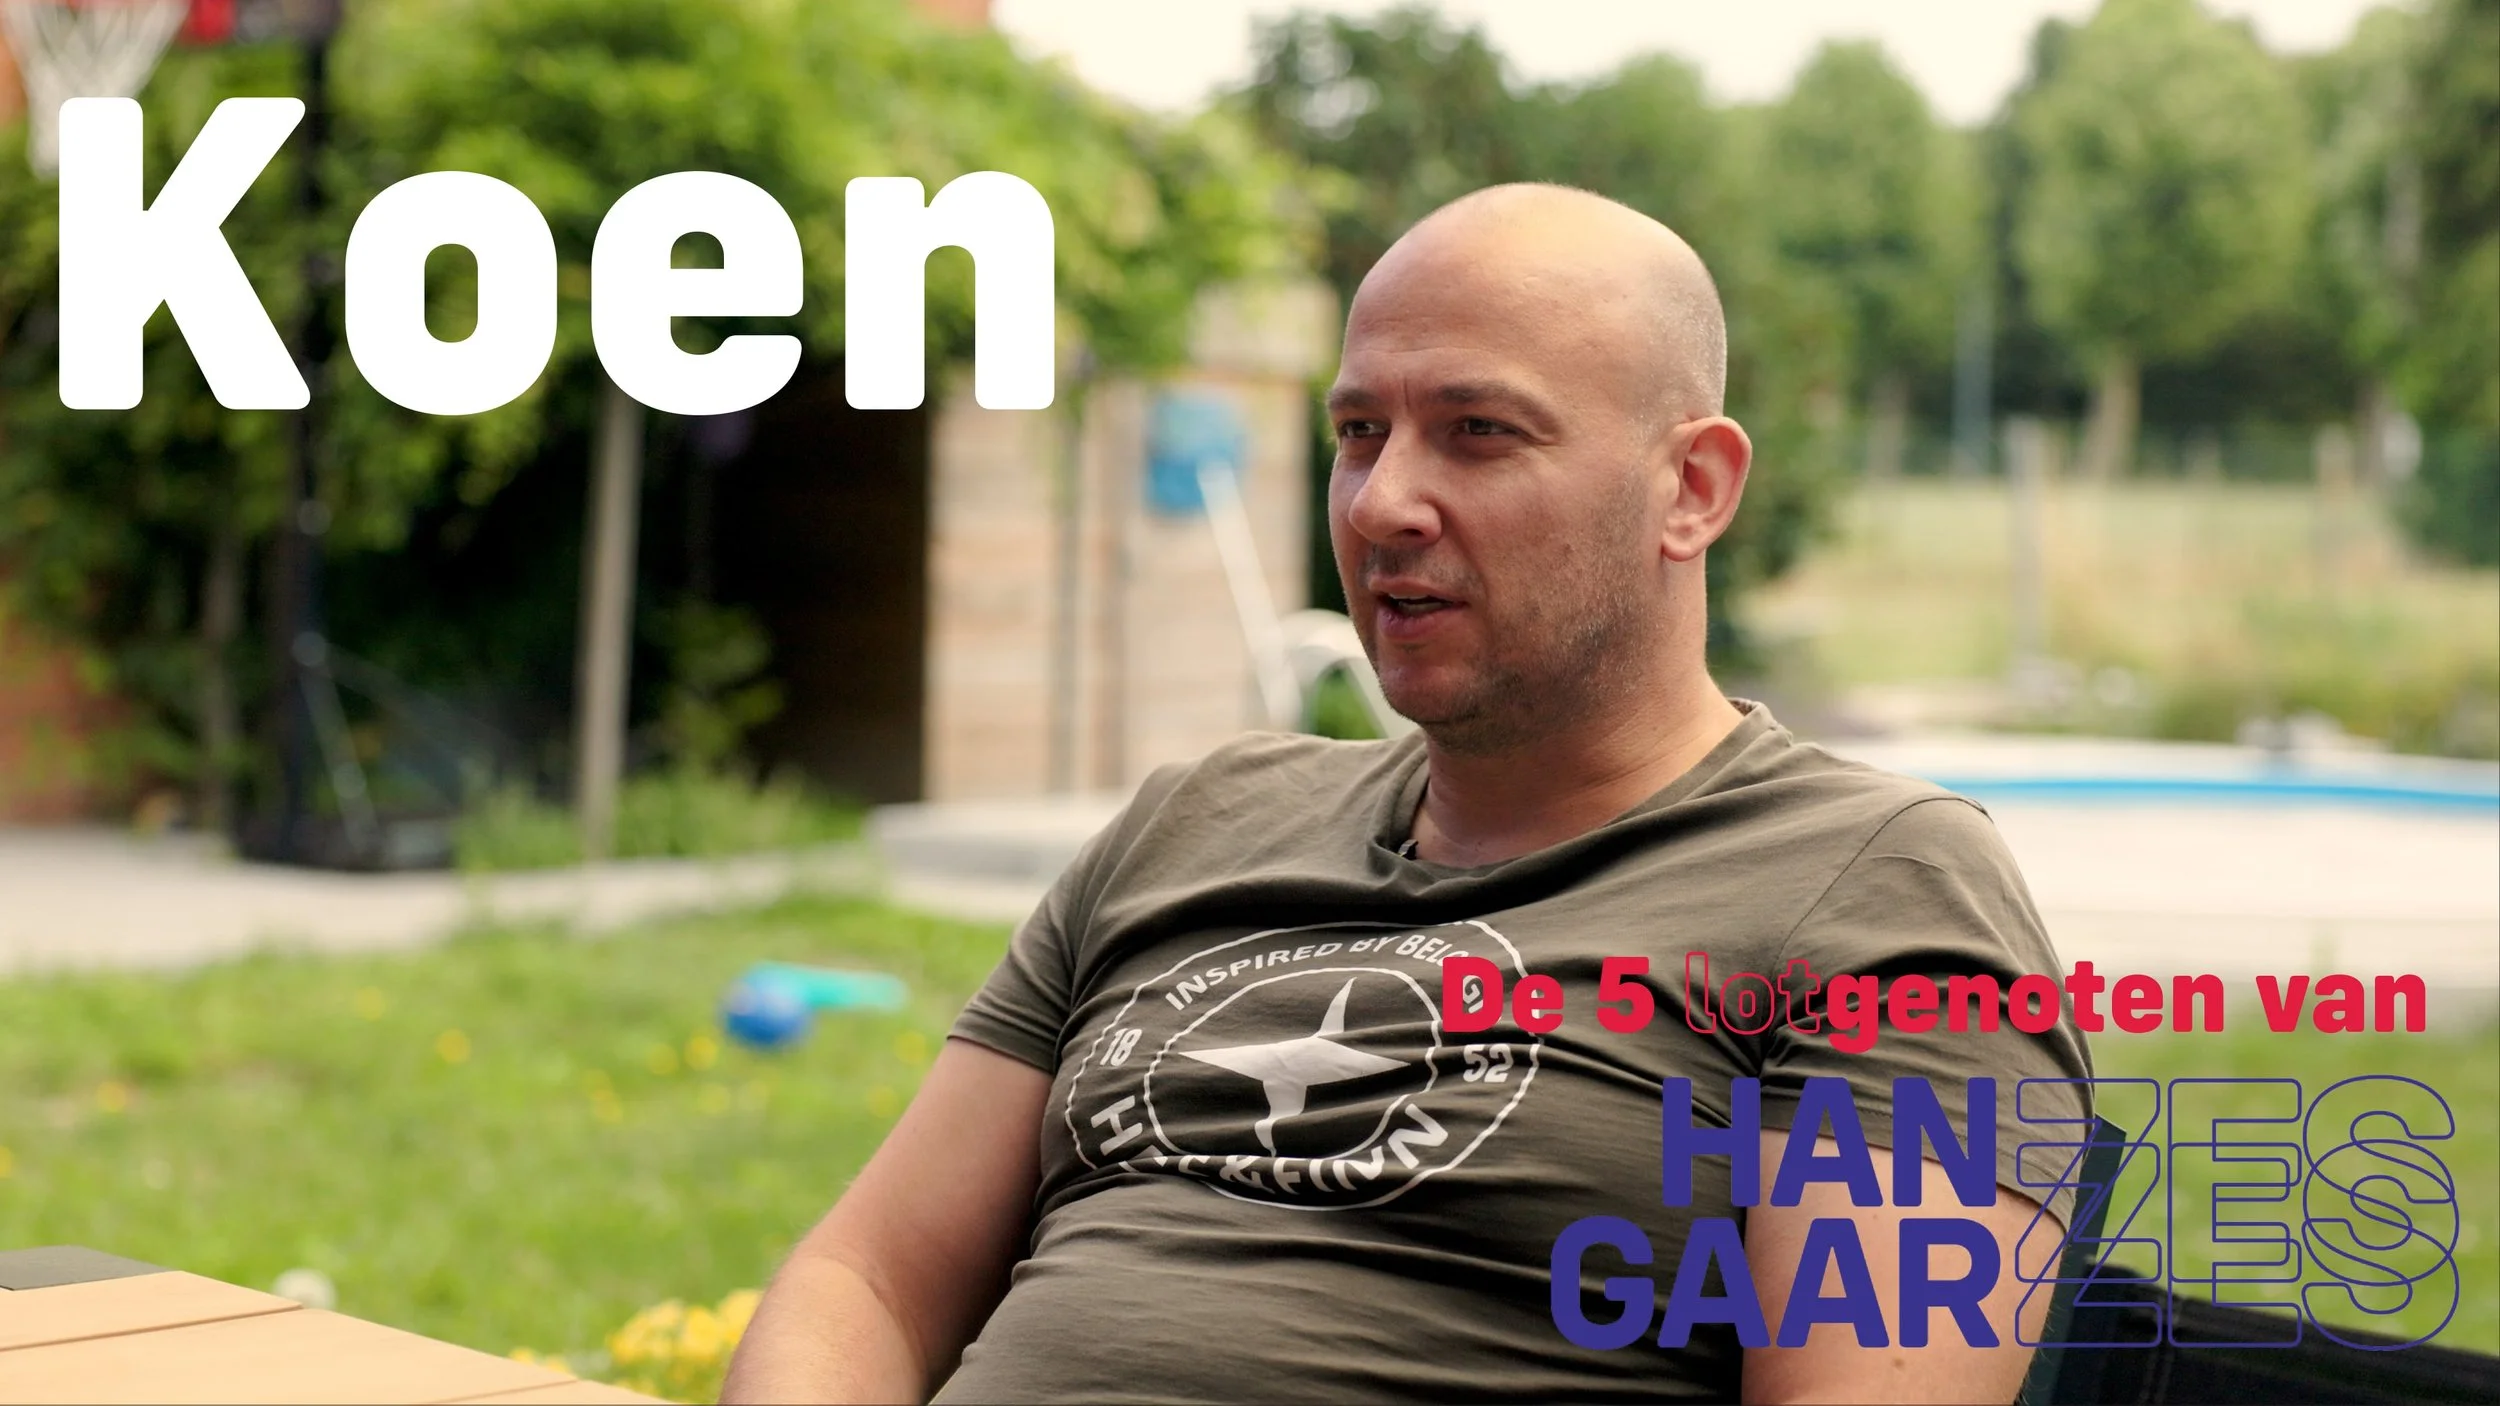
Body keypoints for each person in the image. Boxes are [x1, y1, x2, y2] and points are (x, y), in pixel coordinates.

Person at [722, 183, 2092, 1404]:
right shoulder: (1192, 824)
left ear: (1692, 487)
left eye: (1479, 432)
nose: (1381, 503)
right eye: (1359, 431)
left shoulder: (1881, 889)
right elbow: (868, 1280)